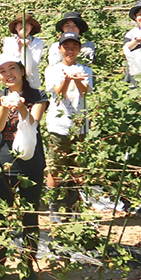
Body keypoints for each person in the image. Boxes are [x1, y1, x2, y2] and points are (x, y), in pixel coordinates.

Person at [0, 55, 49, 278]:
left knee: (30, 216)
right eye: (2, 71)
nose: (8, 74)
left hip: (32, 163)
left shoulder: (38, 95)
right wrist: (5, 107)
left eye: (12, 68)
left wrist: (22, 107)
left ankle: (28, 266)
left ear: (22, 71)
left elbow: (33, 122)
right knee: (1, 216)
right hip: (4, 162)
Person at [44, 32, 94, 222]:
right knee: (54, 167)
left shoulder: (86, 70)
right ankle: (53, 208)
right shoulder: (52, 70)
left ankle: (73, 207)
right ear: (60, 49)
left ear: (79, 49)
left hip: (80, 125)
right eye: (66, 47)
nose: (70, 51)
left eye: (74, 47)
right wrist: (67, 79)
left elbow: (85, 92)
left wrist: (78, 79)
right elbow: (58, 94)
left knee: (77, 167)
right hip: (58, 124)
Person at [1, 13, 45, 89]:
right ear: (15, 27)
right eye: (20, 23)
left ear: (31, 27)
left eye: (27, 24)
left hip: (31, 82)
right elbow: (9, 62)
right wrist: (19, 49)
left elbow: (33, 64)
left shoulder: (38, 43)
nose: (24, 26)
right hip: (13, 81)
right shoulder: (8, 42)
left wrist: (26, 49)